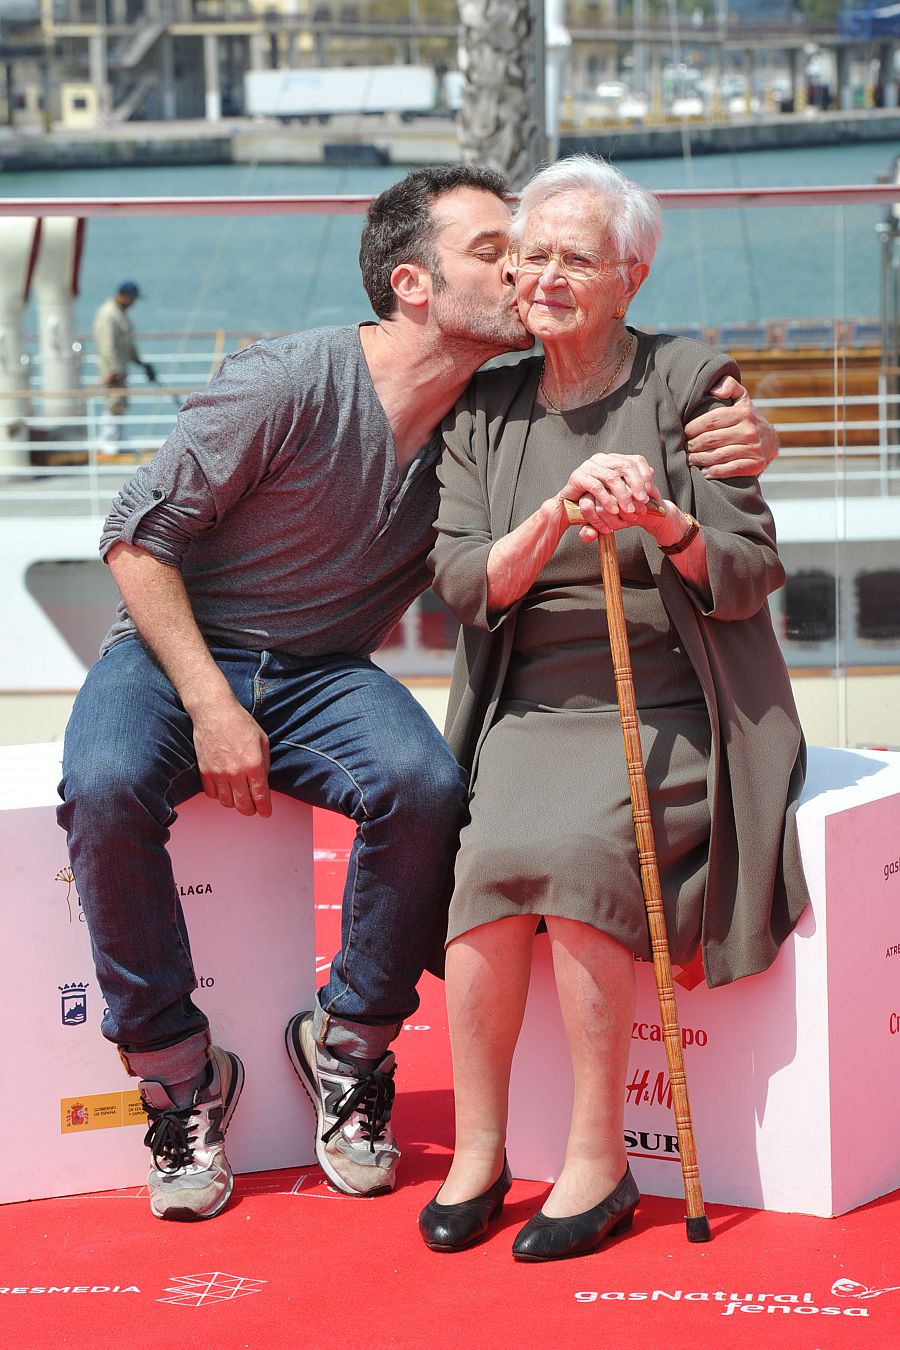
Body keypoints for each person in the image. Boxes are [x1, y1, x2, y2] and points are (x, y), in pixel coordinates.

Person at [57, 164, 778, 1226]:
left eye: (542, 250)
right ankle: (176, 1076)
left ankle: (345, 1048)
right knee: (108, 782)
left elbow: (642, 399)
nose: (528, 268)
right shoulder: (287, 381)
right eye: (500, 251)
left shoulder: (480, 410)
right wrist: (212, 704)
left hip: (323, 673)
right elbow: (133, 537)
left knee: (425, 786)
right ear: (413, 284)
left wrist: (752, 436)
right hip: (174, 656)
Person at [418, 155, 810, 1262]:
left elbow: (745, 569)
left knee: (590, 856)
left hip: (676, 702)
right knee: (485, 869)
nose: (544, 274)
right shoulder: (486, 407)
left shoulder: (688, 382)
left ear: (630, 276)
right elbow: (462, 583)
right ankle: (482, 1152)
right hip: (531, 708)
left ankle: (601, 1163)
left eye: (574, 258)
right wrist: (551, 518)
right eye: (530, 253)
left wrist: (665, 528)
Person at [93, 281, 155, 416]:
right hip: (112, 372)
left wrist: (141, 363)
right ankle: (108, 437)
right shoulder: (108, 314)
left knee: (120, 408)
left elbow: (128, 344)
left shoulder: (119, 313)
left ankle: (116, 436)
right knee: (113, 407)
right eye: (133, 299)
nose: (134, 303)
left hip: (120, 370)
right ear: (125, 296)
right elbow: (106, 347)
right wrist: (114, 371)